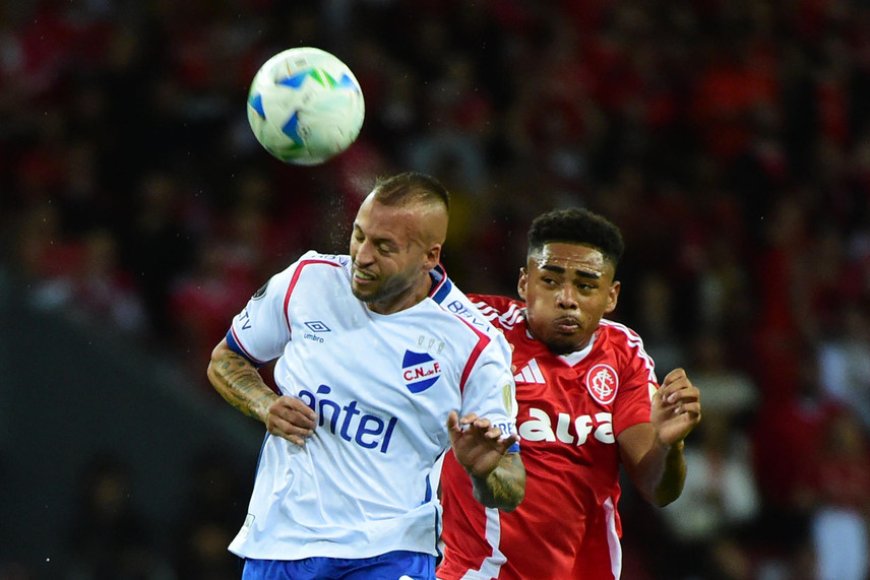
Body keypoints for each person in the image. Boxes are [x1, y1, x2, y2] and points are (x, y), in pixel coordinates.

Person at [205, 171, 526, 580]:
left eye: (384, 247)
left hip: (390, 554)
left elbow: (511, 484)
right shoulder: (307, 282)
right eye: (359, 236)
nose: (363, 256)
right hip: (280, 541)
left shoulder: (476, 345)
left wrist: (485, 470)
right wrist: (264, 403)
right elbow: (226, 359)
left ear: (430, 256)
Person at [437, 208, 702, 580]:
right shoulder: (475, 328)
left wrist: (668, 446)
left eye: (586, 285)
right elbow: (386, 318)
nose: (567, 298)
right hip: (475, 571)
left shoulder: (623, 353)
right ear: (524, 283)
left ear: (611, 296)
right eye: (550, 280)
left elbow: (659, 489)